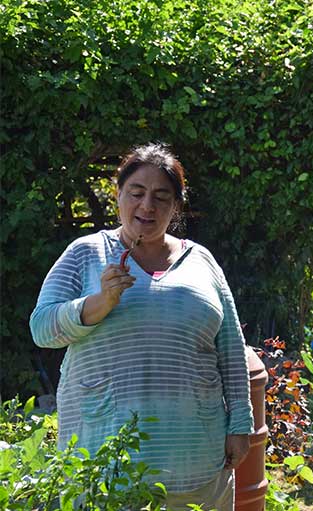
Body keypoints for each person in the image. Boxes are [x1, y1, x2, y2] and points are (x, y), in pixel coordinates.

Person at [30, 143, 253, 510]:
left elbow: (230, 349)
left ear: (175, 206)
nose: (147, 206)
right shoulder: (86, 253)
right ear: (118, 195)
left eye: (161, 197)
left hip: (196, 462)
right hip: (105, 464)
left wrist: (240, 425)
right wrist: (98, 304)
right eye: (136, 193)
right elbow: (42, 328)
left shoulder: (201, 261)